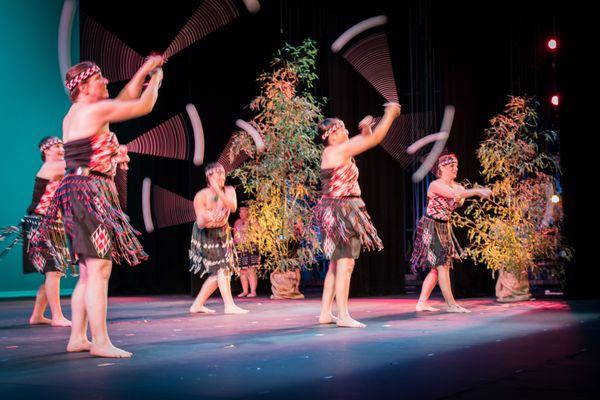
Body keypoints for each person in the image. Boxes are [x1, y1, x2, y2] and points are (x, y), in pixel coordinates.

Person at [29, 55, 164, 358]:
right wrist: (156, 80)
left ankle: (78, 337)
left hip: (78, 191)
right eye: (100, 79)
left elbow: (123, 99)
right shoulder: (93, 109)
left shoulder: (75, 112)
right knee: (99, 269)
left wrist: (143, 69)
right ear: (87, 87)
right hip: (90, 191)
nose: (106, 82)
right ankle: (100, 341)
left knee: (89, 271)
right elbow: (142, 105)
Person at [315, 102, 401, 328]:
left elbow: (366, 138)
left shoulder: (336, 151)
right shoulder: (337, 150)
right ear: (331, 136)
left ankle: (326, 312)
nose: (346, 131)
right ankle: (343, 315)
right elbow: (374, 141)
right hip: (342, 210)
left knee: (336, 264)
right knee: (345, 263)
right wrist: (390, 115)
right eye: (341, 128)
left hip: (336, 208)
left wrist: (366, 130)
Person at [411, 153, 492, 313]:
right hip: (431, 226)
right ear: (441, 168)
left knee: (437, 267)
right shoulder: (435, 184)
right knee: (442, 266)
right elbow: (452, 195)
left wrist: (466, 193)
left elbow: (458, 197)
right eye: (451, 166)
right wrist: (476, 191)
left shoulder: (458, 187)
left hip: (444, 227)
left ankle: (421, 303)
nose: (455, 169)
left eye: (456, 166)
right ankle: (451, 305)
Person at [189, 162, 248, 314]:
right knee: (221, 268)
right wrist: (206, 217)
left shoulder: (228, 190)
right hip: (206, 235)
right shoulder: (200, 196)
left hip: (222, 233)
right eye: (218, 173)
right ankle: (229, 305)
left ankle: (197, 305)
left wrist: (217, 190)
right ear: (209, 176)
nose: (222, 176)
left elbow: (233, 207)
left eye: (223, 173)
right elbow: (201, 224)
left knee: (219, 273)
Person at [233, 206, 260, 298]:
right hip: (240, 248)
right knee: (242, 270)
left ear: (248, 212)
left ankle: (253, 291)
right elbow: (235, 235)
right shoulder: (237, 222)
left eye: (243, 212)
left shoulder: (253, 221)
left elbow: (259, 233)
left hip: (251, 247)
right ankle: (245, 291)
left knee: (251, 270)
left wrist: (247, 229)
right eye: (240, 212)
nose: (241, 214)